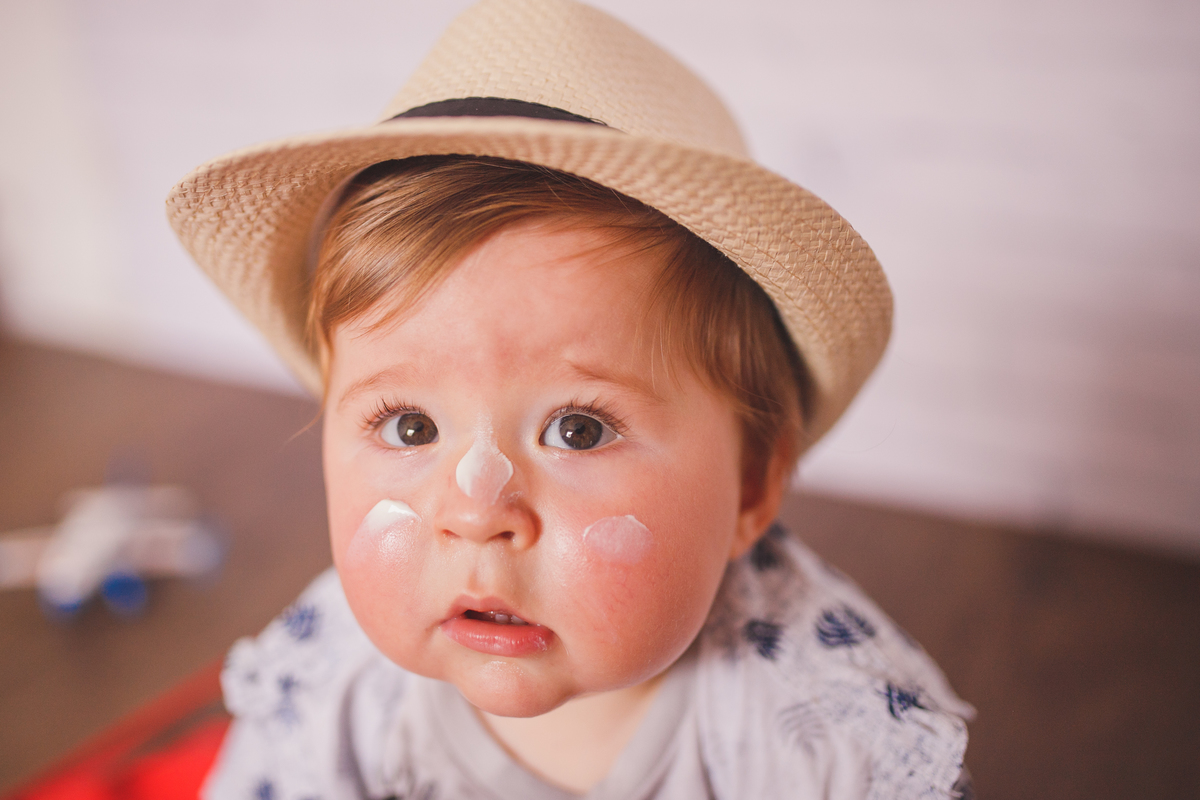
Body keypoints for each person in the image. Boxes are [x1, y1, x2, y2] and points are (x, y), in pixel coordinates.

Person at [168, 0, 975, 797]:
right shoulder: (331, 684)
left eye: (579, 429)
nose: (476, 509)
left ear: (753, 482)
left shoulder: (833, 739)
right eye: (409, 424)